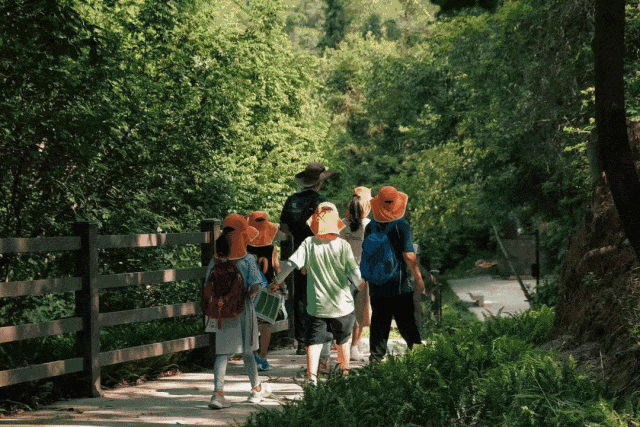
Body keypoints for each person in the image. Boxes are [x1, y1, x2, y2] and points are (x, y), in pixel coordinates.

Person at [271, 202, 364, 385]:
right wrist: (360, 285)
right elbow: (354, 271)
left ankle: (312, 379)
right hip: (342, 305)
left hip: (317, 305)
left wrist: (277, 281)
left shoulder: (309, 243)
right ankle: (345, 375)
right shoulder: (343, 245)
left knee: (313, 343)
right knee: (343, 341)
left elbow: (290, 264)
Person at [204, 213, 271, 410]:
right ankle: (256, 390)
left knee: (222, 353)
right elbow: (256, 285)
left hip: (221, 311)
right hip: (244, 308)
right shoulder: (247, 259)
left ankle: (217, 394)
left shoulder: (216, 259)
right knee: (249, 350)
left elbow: (207, 283)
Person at [363, 186, 428, 363]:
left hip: (376, 283)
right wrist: (419, 279)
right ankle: (419, 358)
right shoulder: (401, 226)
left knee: (379, 323)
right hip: (399, 284)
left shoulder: (370, 226)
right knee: (407, 322)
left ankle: (375, 360)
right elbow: (409, 255)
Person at [279, 162, 335, 366]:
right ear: (319, 183)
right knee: (319, 294)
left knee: (300, 296)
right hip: (318, 252)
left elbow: (284, 228)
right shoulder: (321, 201)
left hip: (297, 251)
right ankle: (318, 338)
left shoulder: (292, 200)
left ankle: (302, 340)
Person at [246, 211, 283, 372]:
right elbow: (277, 268)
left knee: (250, 325)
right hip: (267, 290)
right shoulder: (271, 248)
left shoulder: (244, 248)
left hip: (249, 290)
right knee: (266, 326)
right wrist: (280, 284)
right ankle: (263, 357)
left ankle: (252, 355)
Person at [339, 186, 372, 361]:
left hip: (342, 272)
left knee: (342, 309)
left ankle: (341, 345)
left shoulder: (341, 225)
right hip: (361, 272)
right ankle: (354, 347)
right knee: (359, 310)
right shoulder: (369, 225)